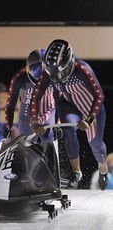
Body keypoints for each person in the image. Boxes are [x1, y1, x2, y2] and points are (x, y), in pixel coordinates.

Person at [30, 39, 108, 190]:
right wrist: (34, 120)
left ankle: (103, 168)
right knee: (68, 131)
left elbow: (99, 96)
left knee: (95, 145)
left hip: (91, 109)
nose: (56, 78)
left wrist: (90, 119)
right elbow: (36, 96)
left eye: (61, 72)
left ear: (70, 63)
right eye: (52, 74)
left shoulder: (84, 70)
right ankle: (76, 172)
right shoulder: (49, 73)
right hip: (69, 105)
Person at [4, 49, 56, 142]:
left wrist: (59, 120)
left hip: (48, 112)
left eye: (42, 70)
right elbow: (10, 105)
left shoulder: (54, 75)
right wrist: (9, 127)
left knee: (49, 142)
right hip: (26, 117)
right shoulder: (19, 77)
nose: (38, 76)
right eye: (34, 69)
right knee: (26, 145)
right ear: (27, 68)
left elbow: (62, 97)